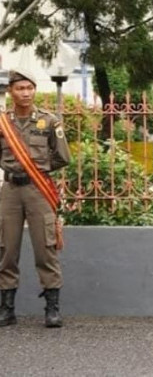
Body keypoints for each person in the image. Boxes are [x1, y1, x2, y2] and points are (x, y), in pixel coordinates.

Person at [0, 68, 71, 328]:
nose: (26, 93)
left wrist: (39, 169)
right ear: (11, 92)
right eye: (20, 88)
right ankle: (6, 309)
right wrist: (11, 167)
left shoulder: (49, 121)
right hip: (9, 192)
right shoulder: (2, 122)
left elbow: (62, 156)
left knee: (46, 249)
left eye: (30, 88)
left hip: (38, 189)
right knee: (6, 249)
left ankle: (52, 309)